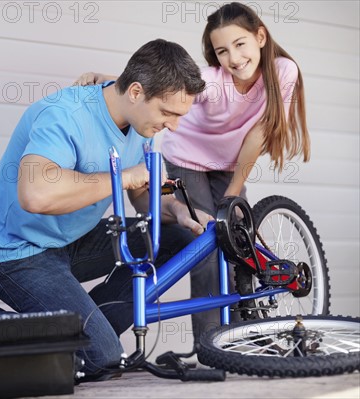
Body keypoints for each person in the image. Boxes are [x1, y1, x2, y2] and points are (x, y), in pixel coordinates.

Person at [0, 38, 210, 375]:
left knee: (179, 238)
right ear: (135, 92)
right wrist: (123, 177)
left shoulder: (142, 120)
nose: (172, 125)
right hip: (15, 251)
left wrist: (176, 210)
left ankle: (86, 326)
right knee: (102, 357)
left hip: (73, 241)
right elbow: (36, 195)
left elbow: (141, 198)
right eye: (167, 113)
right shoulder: (64, 116)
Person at [73, 2, 310, 341]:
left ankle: (246, 335)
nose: (234, 58)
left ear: (260, 37)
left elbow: (259, 132)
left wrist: (233, 191)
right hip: (187, 159)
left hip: (230, 164)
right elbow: (161, 91)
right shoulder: (213, 82)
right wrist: (111, 81)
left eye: (240, 44)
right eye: (222, 51)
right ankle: (211, 343)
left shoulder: (284, 71)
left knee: (239, 242)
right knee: (205, 242)